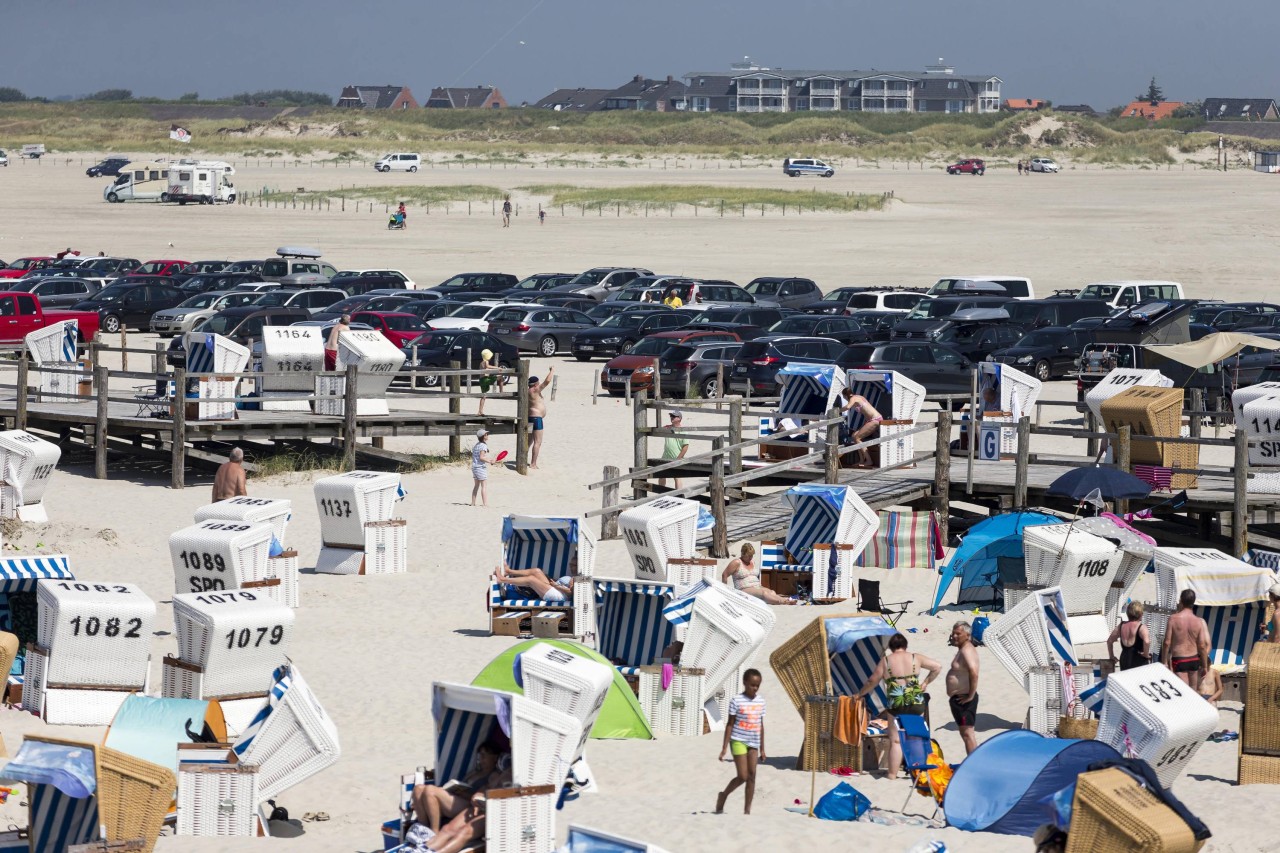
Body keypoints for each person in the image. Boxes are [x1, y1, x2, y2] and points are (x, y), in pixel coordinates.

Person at [854, 633, 942, 779]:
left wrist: (860, 694)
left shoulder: (886, 661)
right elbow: (937, 667)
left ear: (890, 647)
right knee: (915, 736)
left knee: (895, 740)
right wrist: (925, 683)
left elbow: (872, 681)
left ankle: (892, 775)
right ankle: (919, 773)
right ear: (905, 646)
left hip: (896, 702)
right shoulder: (915, 657)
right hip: (915, 700)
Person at [410, 743, 506, 833]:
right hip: (457, 799)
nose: (481, 758)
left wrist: (464, 793)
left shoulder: (494, 775)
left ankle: (434, 832)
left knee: (430, 790)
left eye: (485, 755)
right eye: (480, 754)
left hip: (470, 805)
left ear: (495, 757)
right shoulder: (475, 772)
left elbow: (483, 797)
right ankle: (423, 829)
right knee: (418, 789)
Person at [716, 669, 766, 815]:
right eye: (752, 685)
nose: (755, 688)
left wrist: (762, 748)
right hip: (738, 740)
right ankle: (723, 795)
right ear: (745, 683)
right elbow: (730, 724)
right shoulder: (736, 701)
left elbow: (761, 725)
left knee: (752, 776)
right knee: (743, 776)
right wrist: (724, 747)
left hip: (754, 742)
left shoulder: (761, 701)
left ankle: (747, 811)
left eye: (757, 685)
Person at [1162, 589, 1210, 691]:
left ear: (1181, 600)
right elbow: (1202, 646)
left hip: (1179, 659)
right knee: (1192, 692)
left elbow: (1167, 643)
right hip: (1193, 659)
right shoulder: (1198, 621)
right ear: (1193, 602)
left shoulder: (1173, 619)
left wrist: (1164, 662)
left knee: (1182, 691)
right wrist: (1205, 666)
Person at [721, 543, 797, 605]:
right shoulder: (736, 562)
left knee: (772, 592)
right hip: (744, 588)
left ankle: (783, 600)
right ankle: (783, 601)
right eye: (749, 555)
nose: (751, 557)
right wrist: (725, 591)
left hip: (756, 586)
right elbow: (724, 575)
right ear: (743, 553)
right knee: (764, 593)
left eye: (752, 555)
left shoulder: (752, 562)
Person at [946, 621, 980, 755]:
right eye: (953, 633)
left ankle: (974, 764)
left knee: (968, 733)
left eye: (958, 633)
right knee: (965, 733)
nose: (954, 636)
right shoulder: (963, 649)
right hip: (959, 699)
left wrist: (970, 696)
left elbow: (974, 672)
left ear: (967, 634)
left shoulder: (967, 650)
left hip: (964, 699)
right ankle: (972, 762)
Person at [841, 388, 883, 466]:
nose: (845, 399)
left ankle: (869, 461)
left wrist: (837, 410)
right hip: (870, 420)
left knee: (857, 438)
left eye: (844, 397)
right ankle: (861, 460)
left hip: (875, 419)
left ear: (846, 395)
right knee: (854, 436)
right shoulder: (858, 397)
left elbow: (847, 407)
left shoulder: (853, 398)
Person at [1107, 601, 1151, 671]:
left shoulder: (1121, 626)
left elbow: (1109, 641)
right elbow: (1147, 642)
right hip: (1138, 660)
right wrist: (1146, 654)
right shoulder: (1141, 627)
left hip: (1125, 660)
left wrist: (1111, 656)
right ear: (1140, 614)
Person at [493, 563, 573, 601]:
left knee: (531, 579)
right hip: (556, 589)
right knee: (536, 571)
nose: (572, 566)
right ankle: (509, 571)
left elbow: (571, 593)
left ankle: (502, 579)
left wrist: (557, 586)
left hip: (560, 596)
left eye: (574, 565)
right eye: (571, 564)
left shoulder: (577, 578)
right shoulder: (573, 576)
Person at [656, 410, 689, 489]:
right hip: (665, 456)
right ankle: (660, 493)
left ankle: (679, 495)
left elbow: (685, 446)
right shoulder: (668, 427)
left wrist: (679, 458)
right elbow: (658, 429)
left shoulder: (683, 430)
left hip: (677, 457)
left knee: (676, 476)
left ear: (679, 418)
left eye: (674, 416)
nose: (672, 418)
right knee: (661, 475)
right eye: (671, 416)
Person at [527, 369, 552, 469]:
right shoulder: (535, 390)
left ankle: (522, 458)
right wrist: (552, 370)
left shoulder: (527, 391)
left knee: (528, 441)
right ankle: (533, 464)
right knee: (538, 442)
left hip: (529, 418)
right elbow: (547, 381)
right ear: (536, 384)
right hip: (537, 419)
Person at [476, 349, 504, 416]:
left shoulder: (481, 363)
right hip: (485, 379)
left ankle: (480, 411)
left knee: (483, 396)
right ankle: (501, 392)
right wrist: (497, 368)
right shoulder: (486, 361)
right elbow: (488, 366)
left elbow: (486, 369)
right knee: (501, 378)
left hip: (481, 380)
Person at [471, 428, 491, 507]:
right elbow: (481, 457)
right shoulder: (483, 446)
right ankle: (485, 504)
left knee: (476, 486)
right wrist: (490, 461)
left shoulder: (477, 445)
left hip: (474, 467)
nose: (487, 435)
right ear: (483, 436)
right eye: (486, 434)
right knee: (484, 486)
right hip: (480, 468)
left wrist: (489, 460)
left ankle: (473, 503)